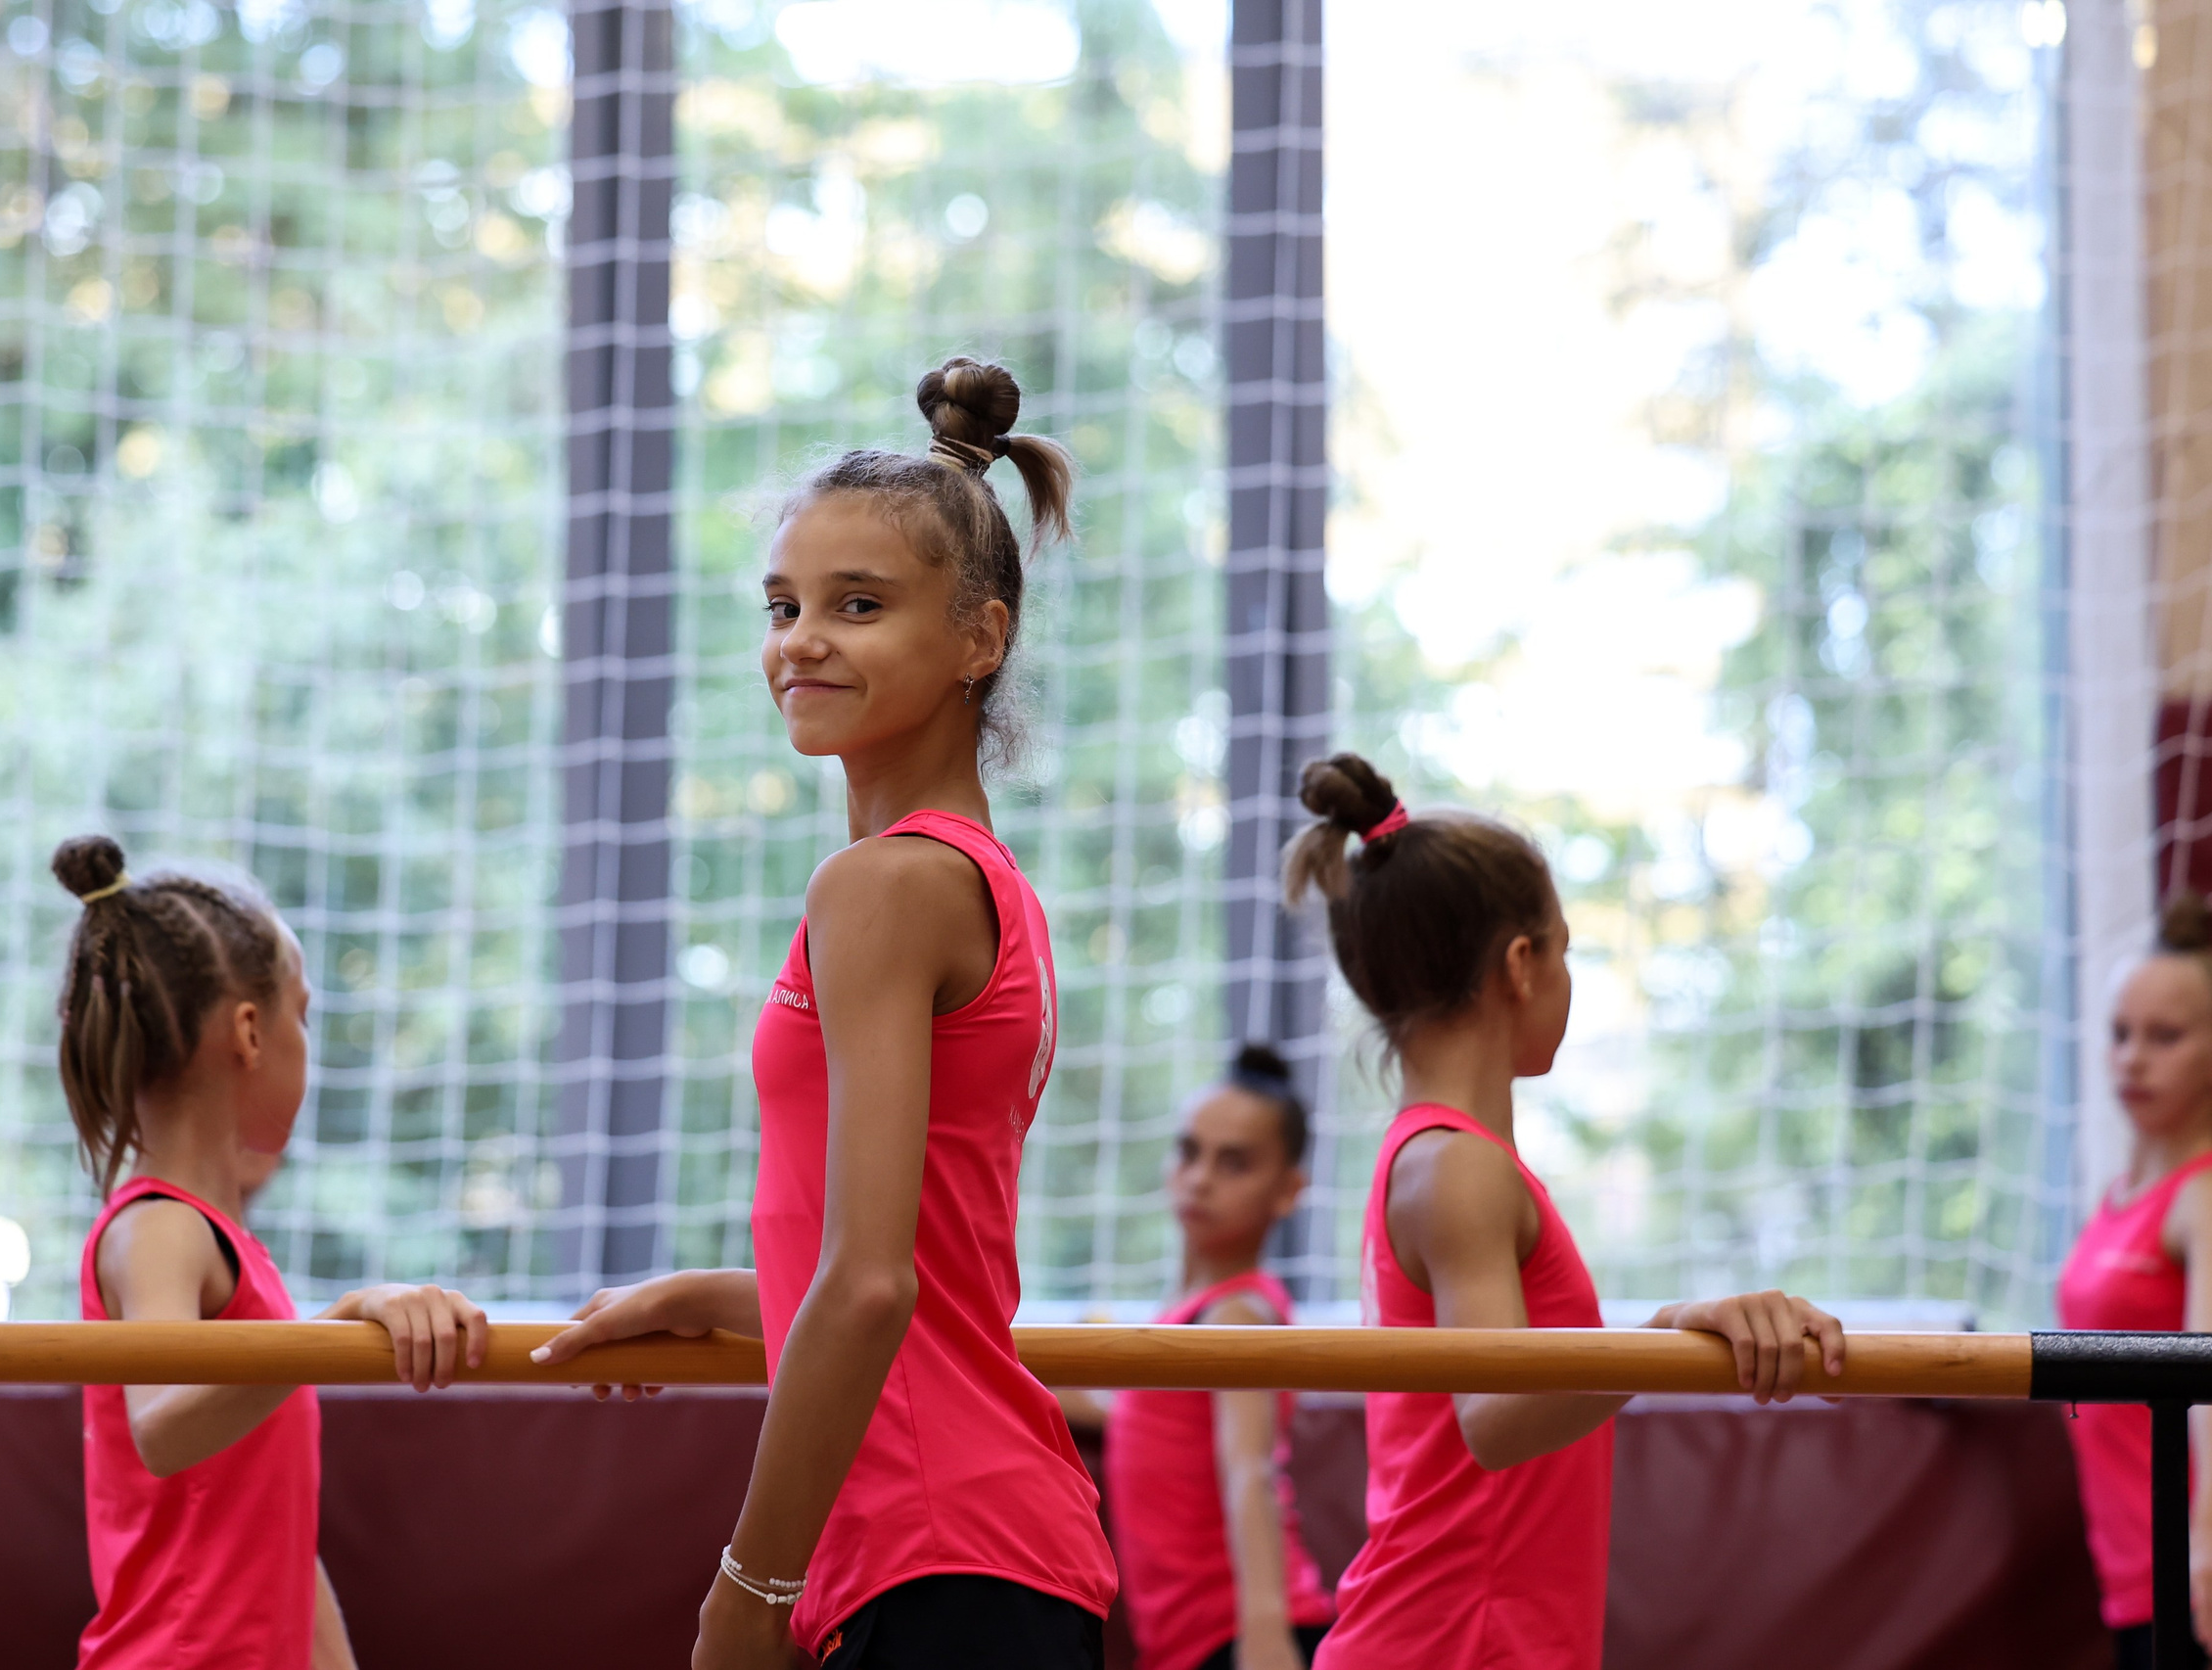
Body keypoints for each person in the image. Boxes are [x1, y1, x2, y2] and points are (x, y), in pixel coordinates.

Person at [534, 357, 1117, 1669]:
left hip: (942, 1561)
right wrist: (712, 1293)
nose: (801, 638)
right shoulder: (977, 879)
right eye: (784, 604)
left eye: (858, 604)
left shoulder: (886, 885)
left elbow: (871, 1285)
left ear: (980, 638)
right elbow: (913, 1275)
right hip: (983, 1552)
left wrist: (745, 1591)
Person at [1280, 754, 1846, 1670]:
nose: (1568, 978)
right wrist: (1665, 1337)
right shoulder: (1457, 1166)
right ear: (1521, 964)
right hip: (1454, 1642)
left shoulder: (1445, 1158)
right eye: (1566, 951)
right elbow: (1495, 1416)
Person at [52, 834, 489, 1670]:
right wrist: (335, 1327)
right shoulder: (158, 1227)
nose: (308, 1040)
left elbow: (279, 1546)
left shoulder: (223, 1243)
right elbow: (161, 1430)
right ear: (250, 1032)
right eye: (304, 1014)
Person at [1091, 1044, 1336, 1670]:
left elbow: (1250, 1470)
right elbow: (1146, 1421)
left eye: (1235, 1163)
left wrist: (1265, 1638)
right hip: (1187, 1644)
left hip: (1246, 1639)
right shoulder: (1183, 1314)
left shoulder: (1237, 1315)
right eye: (1189, 1151)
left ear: (1288, 1190)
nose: (1200, 1178)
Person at [2059, 893, 2212, 1670]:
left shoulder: (2203, 1197)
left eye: (2166, 1036)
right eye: (2120, 1034)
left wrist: (2208, 1546)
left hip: (2189, 1579)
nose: (2132, 1058)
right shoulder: (2116, 1197)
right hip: (2130, 1573)